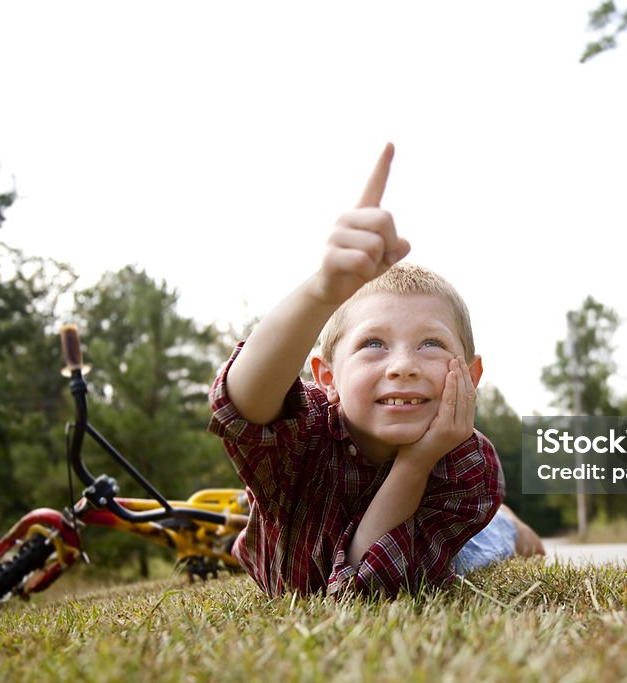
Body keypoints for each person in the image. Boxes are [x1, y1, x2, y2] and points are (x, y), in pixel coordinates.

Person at [208, 143, 543, 598]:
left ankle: (505, 523)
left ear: (470, 374)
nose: (403, 366)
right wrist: (322, 290)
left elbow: (367, 584)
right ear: (326, 378)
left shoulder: (468, 466)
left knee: (484, 549)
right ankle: (501, 521)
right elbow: (237, 406)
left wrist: (419, 460)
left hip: (437, 542)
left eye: (431, 343)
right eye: (372, 344)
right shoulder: (303, 431)